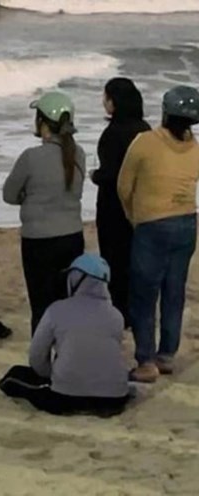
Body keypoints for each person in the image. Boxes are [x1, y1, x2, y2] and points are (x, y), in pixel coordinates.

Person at [118, 85, 199, 383]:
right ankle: (166, 356)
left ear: (165, 113)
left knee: (143, 295)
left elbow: (123, 187)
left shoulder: (145, 142)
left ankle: (146, 361)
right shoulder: (195, 148)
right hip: (188, 223)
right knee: (174, 291)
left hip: (152, 225)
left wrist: (135, 217)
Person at [0, 254, 131, 417]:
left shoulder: (56, 310)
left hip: (66, 397)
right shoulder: (116, 316)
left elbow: (36, 356)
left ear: (76, 278)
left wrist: (51, 375)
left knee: (13, 377)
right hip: (114, 399)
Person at [3, 91, 86, 334]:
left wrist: (29, 197)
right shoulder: (78, 154)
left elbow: (9, 195)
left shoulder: (31, 157)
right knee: (67, 303)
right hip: (72, 236)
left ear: (42, 122)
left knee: (41, 306)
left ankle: (41, 355)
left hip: (38, 241)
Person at [91, 78, 150, 326]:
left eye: (106, 97)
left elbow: (111, 175)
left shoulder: (112, 134)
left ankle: (120, 312)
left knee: (114, 258)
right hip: (142, 203)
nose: (103, 101)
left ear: (114, 102)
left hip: (113, 206)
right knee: (136, 259)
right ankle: (137, 309)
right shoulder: (145, 130)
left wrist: (95, 176)